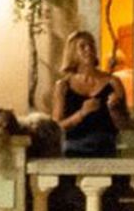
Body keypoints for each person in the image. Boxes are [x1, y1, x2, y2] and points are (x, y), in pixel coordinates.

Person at [52, 30, 127, 158]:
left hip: (105, 149)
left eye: (91, 45)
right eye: (82, 46)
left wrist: (114, 110)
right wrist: (82, 113)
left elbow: (124, 125)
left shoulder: (113, 82)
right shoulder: (63, 85)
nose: (89, 49)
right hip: (73, 150)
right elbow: (57, 127)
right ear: (72, 53)